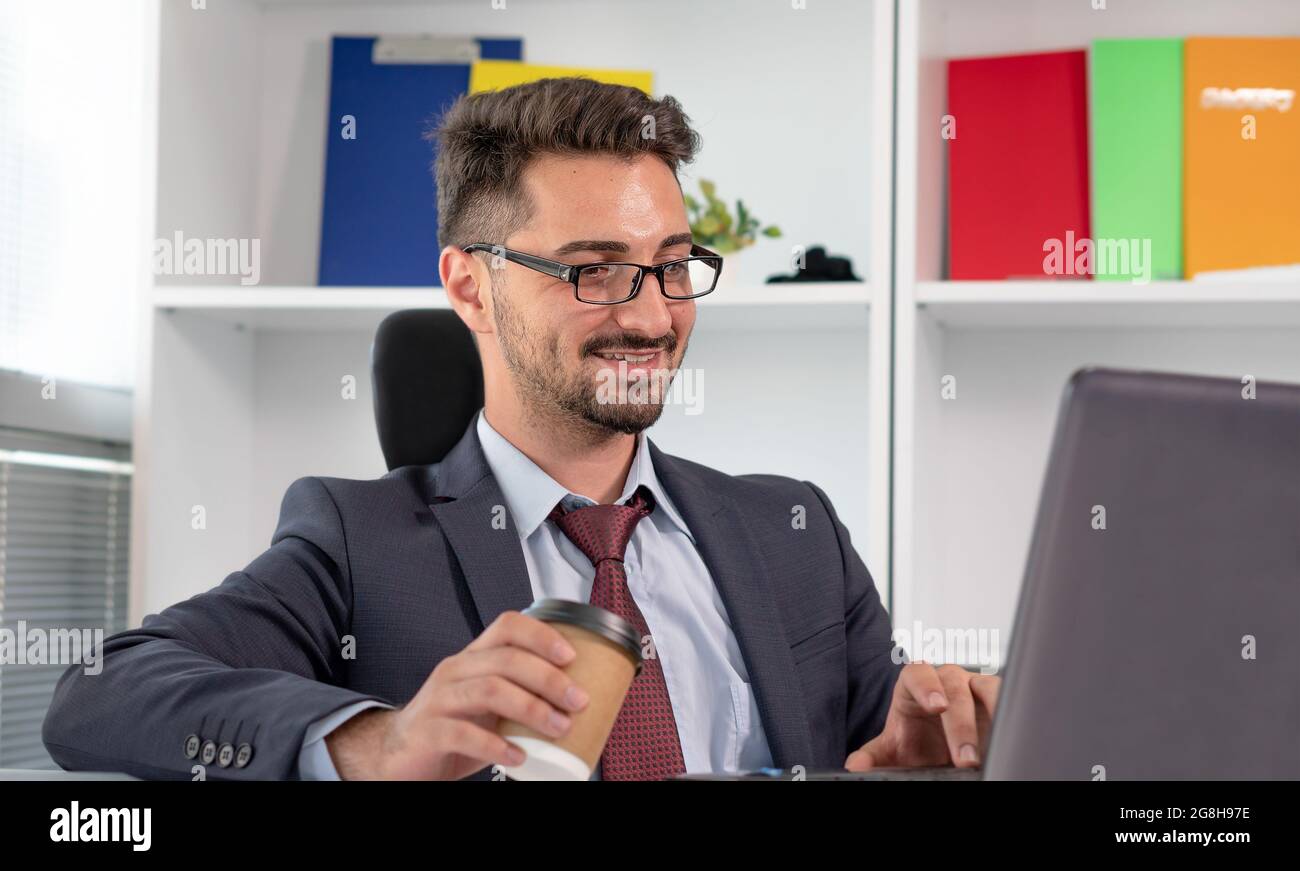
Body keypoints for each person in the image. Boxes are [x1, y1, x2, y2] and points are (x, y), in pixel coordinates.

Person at [43, 77, 998, 780]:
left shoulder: (795, 533)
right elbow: (99, 692)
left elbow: (893, 742)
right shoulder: (359, 541)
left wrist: (944, 743)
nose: (652, 315)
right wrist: (380, 739)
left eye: (671, 264)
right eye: (593, 269)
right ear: (471, 286)